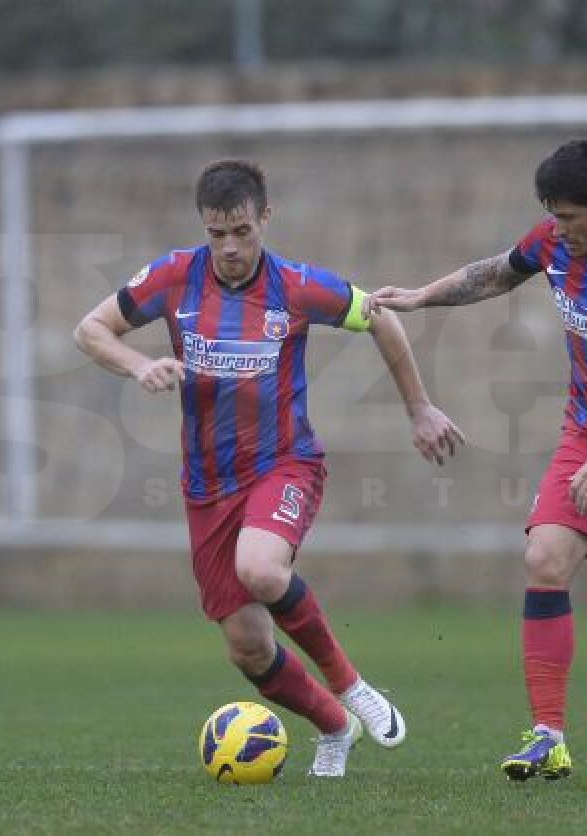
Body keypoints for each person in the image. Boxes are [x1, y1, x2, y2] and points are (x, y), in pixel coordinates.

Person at [74, 159, 465, 778]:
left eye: (242, 232)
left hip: (285, 464)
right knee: (249, 649)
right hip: (207, 486)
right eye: (216, 234)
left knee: (259, 569)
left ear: (265, 218)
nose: (230, 247)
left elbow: (382, 317)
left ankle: (351, 685)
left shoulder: (297, 286)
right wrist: (139, 365)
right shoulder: (174, 277)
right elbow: (91, 329)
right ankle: (335, 728)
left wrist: (419, 408)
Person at [366, 140, 587, 781]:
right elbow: (497, 271)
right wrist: (420, 297)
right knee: (544, 560)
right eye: (552, 216)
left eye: (570, 217)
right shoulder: (555, 243)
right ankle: (548, 736)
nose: (558, 229)